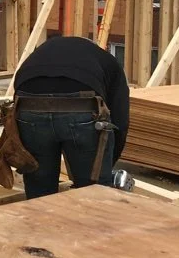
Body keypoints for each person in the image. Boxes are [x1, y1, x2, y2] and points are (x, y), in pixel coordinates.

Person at [11, 34, 130, 199]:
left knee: (39, 192)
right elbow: (120, 120)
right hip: (81, 111)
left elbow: (18, 93)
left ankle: (41, 221)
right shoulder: (107, 61)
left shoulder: (41, 53)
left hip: (29, 110)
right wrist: (104, 164)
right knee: (92, 193)